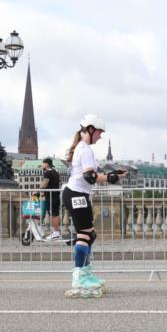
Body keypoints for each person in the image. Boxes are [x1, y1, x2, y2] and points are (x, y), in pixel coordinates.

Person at [62, 114, 126, 297]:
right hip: (76, 194)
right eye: (99, 132)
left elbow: (89, 175)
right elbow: (89, 177)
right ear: (90, 129)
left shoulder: (81, 148)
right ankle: (79, 278)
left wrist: (113, 174)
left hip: (77, 194)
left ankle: (86, 273)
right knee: (84, 235)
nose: (100, 136)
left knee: (90, 234)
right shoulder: (85, 149)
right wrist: (112, 178)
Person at [40, 157, 62, 240]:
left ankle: (56, 233)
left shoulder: (47, 173)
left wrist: (38, 191)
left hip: (50, 196)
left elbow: (45, 184)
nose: (42, 165)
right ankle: (56, 232)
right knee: (55, 213)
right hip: (56, 195)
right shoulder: (55, 172)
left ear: (46, 164)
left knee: (53, 214)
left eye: (43, 163)